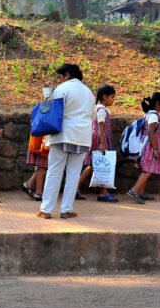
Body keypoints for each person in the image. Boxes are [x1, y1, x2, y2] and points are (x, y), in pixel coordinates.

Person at [37, 64, 96, 219]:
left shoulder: (62, 89)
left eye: (59, 77)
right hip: (82, 137)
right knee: (73, 174)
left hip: (62, 134)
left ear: (67, 75)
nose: (59, 80)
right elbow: (93, 116)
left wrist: (47, 92)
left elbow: (48, 108)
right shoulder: (88, 92)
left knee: (54, 172)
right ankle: (67, 209)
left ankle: (46, 209)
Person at [77, 85, 118, 203]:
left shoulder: (96, 108)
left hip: (95, 138)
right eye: (112, 97)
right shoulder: (102, 110)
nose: (113, 100)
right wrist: (103, 143)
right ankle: (103, 191)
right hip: (100, 139)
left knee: (93, 165)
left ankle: (77, 186)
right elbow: (101, 126)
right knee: (101, 164)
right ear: (104, 97)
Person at [127, 92, 160, 204]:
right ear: (158, 103)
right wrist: (155, 149)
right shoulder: (154, 116)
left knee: (146, 169)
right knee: (147, 170)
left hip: (146, 145)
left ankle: (140, 192)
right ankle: (134, 190)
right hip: (149, 146)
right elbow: (150, 132)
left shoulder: (149, 114)